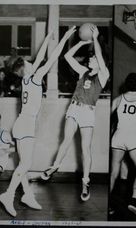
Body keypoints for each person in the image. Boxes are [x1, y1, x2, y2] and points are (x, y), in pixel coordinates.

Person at [0, 27, 76, 217]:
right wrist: (65, 37)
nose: (32, 63)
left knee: (23, 163)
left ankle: (27, 195)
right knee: (25, 164)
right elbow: (50, 60)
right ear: (25, 68)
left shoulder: (27, 80)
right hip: (25, 125)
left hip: (21, 124)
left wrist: (47, 38)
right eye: (28, 63)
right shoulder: (35, 77)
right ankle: (8, 195)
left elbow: (40, 58)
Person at [41, 25, 110, 202]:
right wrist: (81, 42)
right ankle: (54, 167)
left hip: (88, 112)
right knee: (65, 140)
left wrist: (95, 39)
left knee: (85, 148)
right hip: (74, 108)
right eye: (92, 57)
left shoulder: (103, 75)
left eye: (94, 57)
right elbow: (67, 56)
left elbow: (101, 58)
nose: (92, 59)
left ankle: (86, 181)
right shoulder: (83, 72)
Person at [110, 73, 136, 215]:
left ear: (126, 85)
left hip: (118, 137)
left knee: (114, 172)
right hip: (133, 138)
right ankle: (134, 200)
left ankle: (108, 202)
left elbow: (109, 119)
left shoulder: (117, 99)